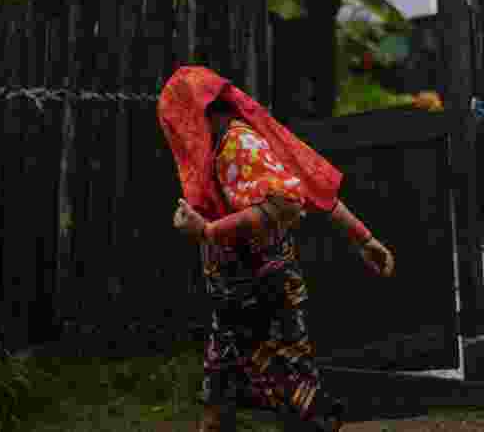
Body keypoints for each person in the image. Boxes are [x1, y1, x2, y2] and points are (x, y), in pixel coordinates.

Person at [157, 66, 395, 432]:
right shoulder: (218, 146)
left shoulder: (239, 144)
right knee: (219, 397)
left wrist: (206, 230)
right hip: (234, 295)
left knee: (300, 400)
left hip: (265, 294)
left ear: (194, 113)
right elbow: (311, 185)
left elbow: (287, 201)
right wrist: (363, 237)